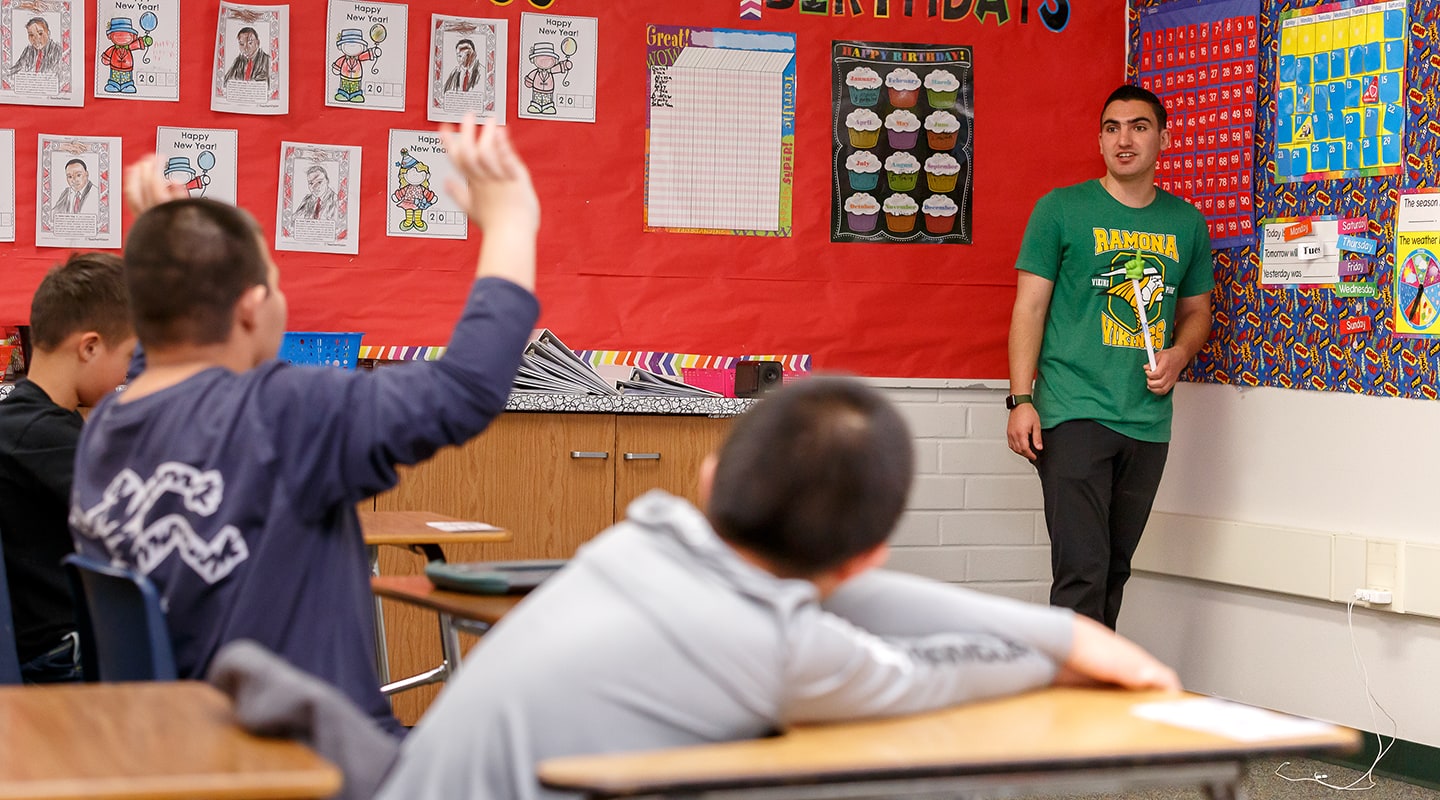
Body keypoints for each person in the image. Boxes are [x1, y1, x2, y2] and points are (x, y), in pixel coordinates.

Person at [376, 376, 1181, 800]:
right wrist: (1054, 658)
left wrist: (1072, 633)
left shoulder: (643, 539)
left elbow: (857, 602)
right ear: (868, 552)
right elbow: (930, 675)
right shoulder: (770, 650)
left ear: (710, 477)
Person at [67, 117, 540, 736]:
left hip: (182, 752)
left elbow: (160, 351)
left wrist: (165, 245)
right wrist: (511, 223)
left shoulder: (107, 427)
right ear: (251, 308)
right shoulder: (279, 412)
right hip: (313, 760)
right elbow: (463, 391)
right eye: (276, 280)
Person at [1006, 84, 1214, 630]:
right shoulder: (1060, 210)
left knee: (1114, 571)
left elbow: (1198, 312)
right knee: (1082, 570)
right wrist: (1021, 399)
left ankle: (1092, 697)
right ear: (1100, 140)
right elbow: (1028, 310)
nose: (1124, 139)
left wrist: (1180, 353)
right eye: (1112, 127)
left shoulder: (1186, 223)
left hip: (1146, 419)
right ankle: (1071, 708)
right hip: (1073, 411)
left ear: (1163, 139)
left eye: (1139, 126)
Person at [0, 253, 135, 683]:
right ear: (90, 347)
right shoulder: (43, 436)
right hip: (62, 658)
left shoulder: (24, 422)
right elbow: (134, 517)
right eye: (130, 355)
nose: (129, 372)